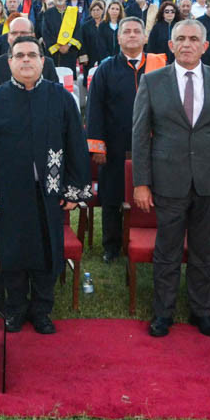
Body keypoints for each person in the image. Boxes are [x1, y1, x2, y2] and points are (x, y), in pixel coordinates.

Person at [0, 36, 91, 334]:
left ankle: (41, 310)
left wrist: (74, 189)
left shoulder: (61, 98)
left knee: (48, 251)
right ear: (9, 62)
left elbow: (76, 145)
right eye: (19, 55)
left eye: (32, 55)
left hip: (50, 193)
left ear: (42, 61)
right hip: (9, 193)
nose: (26, 60)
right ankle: (15, 308)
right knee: (13, 252)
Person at [132, 20, 210, 338]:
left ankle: (201, 312)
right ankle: (163, 314)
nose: (187, 44)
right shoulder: (153, 82)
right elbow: (140, 136)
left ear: (206, 46)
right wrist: (142, 182)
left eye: (194, 39)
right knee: (166, 250)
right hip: (168, 180)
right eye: (180, 38)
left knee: (203, 250)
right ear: (170, 45)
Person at [87, 18, 168, 262]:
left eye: (137, 31)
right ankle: (111, 246)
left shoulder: (161, 67)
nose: (132, 35)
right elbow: (94, 110)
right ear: (119, 38)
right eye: (126, 32)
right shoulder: (106, 69)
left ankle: (153, 240)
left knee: (154, 193)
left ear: (145, 37)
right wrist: (97, 147)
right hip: (115, 146)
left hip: (155, 145)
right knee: (112, 196)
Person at [0, 17, 59, 98]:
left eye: (23, 33)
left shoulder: (47, 64)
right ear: (8, 37)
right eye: (14, 33)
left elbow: (57, 98)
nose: (18, 37)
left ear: (33, 36)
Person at [41, 0, 84, 77]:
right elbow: (46, 33)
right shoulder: (48, 14)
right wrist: (58, 47)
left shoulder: (73, 12)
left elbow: (77, 31)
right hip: (54, 54)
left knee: (68, 81)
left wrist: (68, 45)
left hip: (70, 52)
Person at [80, 0, 115, 82]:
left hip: (105, 56)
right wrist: (83, 57)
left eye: (98, 10)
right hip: (90, 56)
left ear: (103, 11)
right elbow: (82, 42)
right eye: (93, 10)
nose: (96, 12)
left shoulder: (107, 24)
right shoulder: (85, 26)